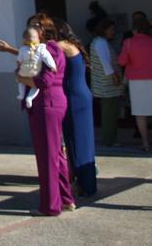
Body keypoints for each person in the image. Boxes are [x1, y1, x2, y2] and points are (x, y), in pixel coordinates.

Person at [20, 13, 76, 217]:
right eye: (30, 25)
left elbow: (43, 81)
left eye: (36, 26)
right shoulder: (42, 49)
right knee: (57, 155)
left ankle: (50, 206)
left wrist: (20, 76)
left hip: (47, 103)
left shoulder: (49, 49)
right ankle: (66, 198)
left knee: (47, 157)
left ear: (44, 30)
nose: (32, 29)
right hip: (48, 103)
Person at [56, 19, 97, 197]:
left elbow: (38, 54)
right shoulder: (73, 44)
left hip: (73, 97)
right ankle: (86, 182)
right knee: (83, 142)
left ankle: (85, 184)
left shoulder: (61, 45)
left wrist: (11, 50)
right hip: (81, 95)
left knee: (76, 143)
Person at [118, 12, 152, 152]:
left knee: (140, 113)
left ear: (135, 29)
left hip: (136, 81)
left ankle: (145, 142)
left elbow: (121, 61)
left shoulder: (128, 43)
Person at [89, 18, 124, 146]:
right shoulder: (101, 43)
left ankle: (110, 138)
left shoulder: (98, 42)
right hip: (107, 84)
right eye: (111, 29)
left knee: (110, 112)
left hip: (104, 84)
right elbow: (106, 63)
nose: (113, 32)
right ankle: (110, 139)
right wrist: (115, 77)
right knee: (110, 113)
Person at [16, 26, 53, 108]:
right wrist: (52, 66)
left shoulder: (23, 49)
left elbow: (19, 60)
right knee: (34, 86)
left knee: (22, 82)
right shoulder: (41, 48)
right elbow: (47, 58)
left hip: (26, 69)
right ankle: (28, 97)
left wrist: (19, 68)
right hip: (34, 70)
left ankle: (22, 95)